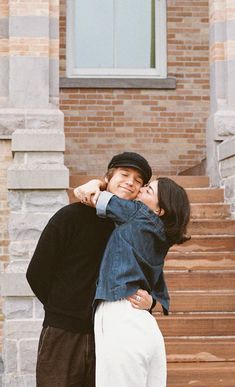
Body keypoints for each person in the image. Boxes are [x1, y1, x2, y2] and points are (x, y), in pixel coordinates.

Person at [26, 151, 154, 387]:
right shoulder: (71, 216)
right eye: (124, 174)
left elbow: (147, 281)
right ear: (108, 179)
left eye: (138, 180)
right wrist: (63, 308)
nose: (130, 182)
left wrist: (150, 302)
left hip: (110, 337)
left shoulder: (135, 230)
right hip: (63, 333)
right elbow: (37, 273)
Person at [74, 176, 190, 387]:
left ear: (159, 210)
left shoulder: (137, 213)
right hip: (147, 327)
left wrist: (96, 183)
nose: (141, 190)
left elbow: (88, 195)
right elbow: (158, 287)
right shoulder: (162, 238)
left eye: (148, 190)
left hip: (119, 316)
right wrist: (153, 302)